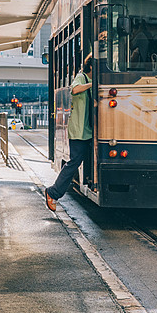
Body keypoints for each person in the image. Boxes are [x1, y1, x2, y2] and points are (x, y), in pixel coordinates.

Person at [45, 58, 93, 212]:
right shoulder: (82, 77)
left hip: (87, 130)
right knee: (74, 162)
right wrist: (93, 84)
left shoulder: (90, 80)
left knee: (81, 160)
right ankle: (53, 192)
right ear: (91, 66)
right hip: (79, 130)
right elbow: (74, 89)